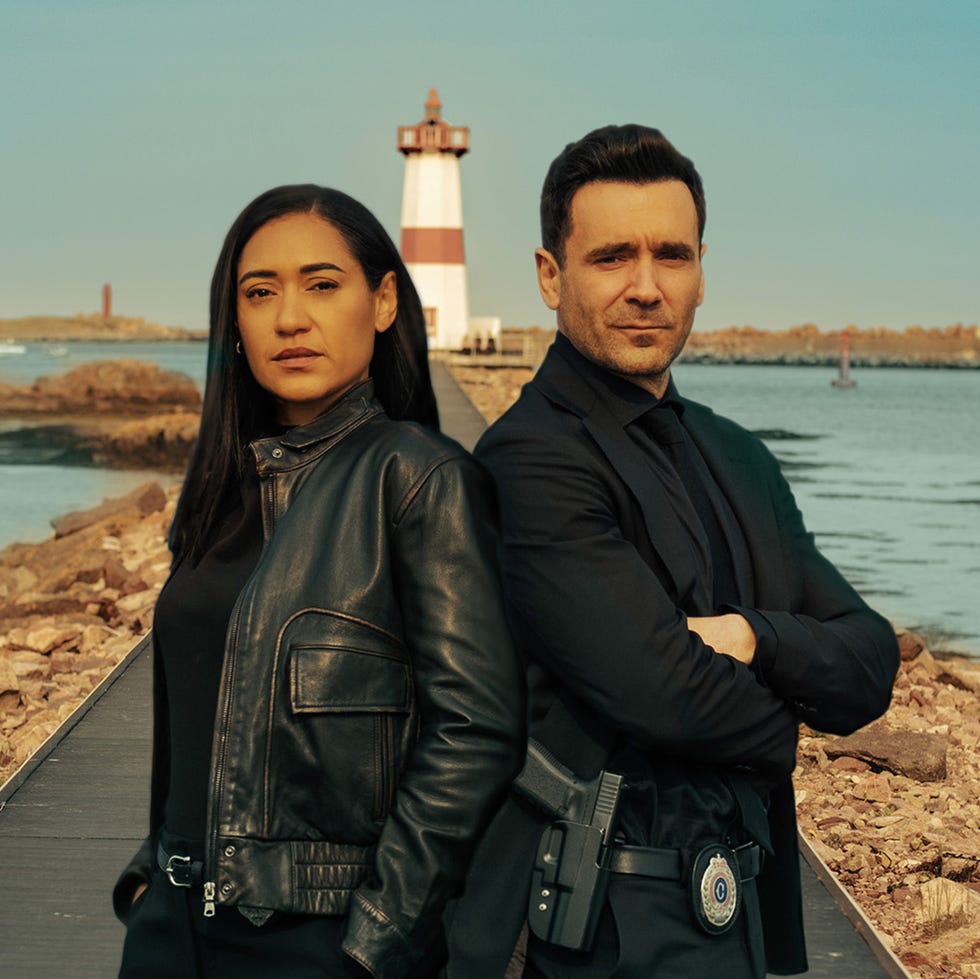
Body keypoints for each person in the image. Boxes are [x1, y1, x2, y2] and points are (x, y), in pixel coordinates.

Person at [446, 126, 899, 977]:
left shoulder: (738, 457)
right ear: (552, 276)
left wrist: (754, 637)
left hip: (744, 914)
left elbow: (871, 658)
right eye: (613, 256)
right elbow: (664, 693)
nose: (647, 287)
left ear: (701, 271)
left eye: (672, 255)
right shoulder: (530, 459)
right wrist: (785, 725)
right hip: (592, 929)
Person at [112, 184, 525, 978]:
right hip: (170, 929)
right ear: (233, 322)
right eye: (259, 292)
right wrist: (149, 878)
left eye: (322, 284)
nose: (288, 317)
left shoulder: (417, 477)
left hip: (318, 942)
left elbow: (476, 730)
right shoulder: (221, 492)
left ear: (383, 301)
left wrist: (379, 937)